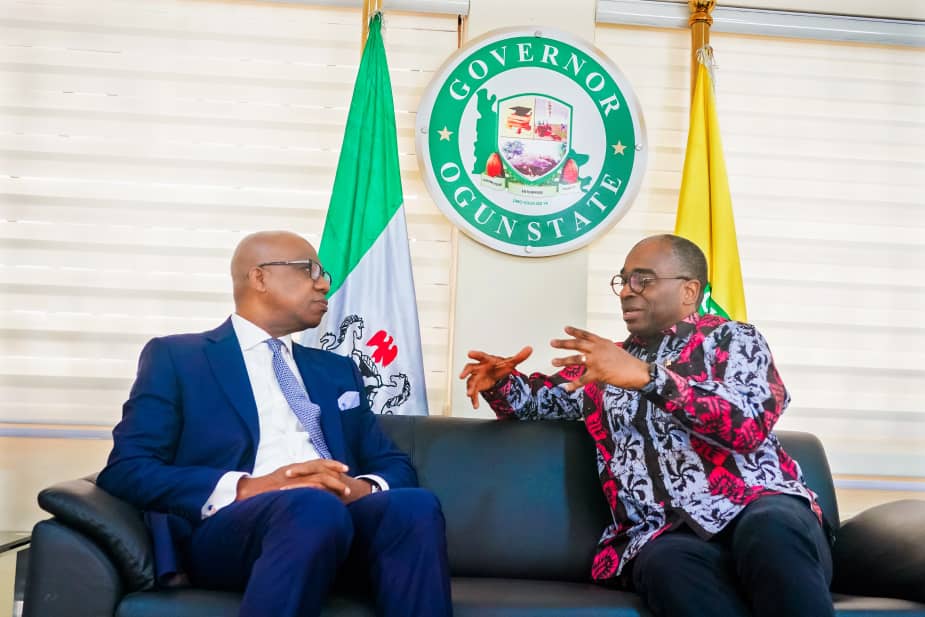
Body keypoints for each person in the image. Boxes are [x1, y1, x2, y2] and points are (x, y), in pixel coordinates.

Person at [460, 234, 834, 617]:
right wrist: (500, 382)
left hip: (757, 506)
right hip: (664, 530)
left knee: (770, 528)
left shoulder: (731, 339)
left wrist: (649, 378)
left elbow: (749, 424)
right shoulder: (610, 363)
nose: (626, 291)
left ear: (689, 290)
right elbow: (537, 402)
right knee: (666, 564)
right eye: (623, 280)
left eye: (643, 280)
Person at [97, 231, 453, 617]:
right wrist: (249, 487)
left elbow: (393, 463)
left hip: (339, 519)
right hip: (234, 531)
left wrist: (357, 489)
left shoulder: (337, 370)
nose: (324, 284)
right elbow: (127, 469)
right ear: (260, 277)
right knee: (311, 505)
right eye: (309, 270)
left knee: (414, 506)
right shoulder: (178, 358)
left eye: (324, 275)